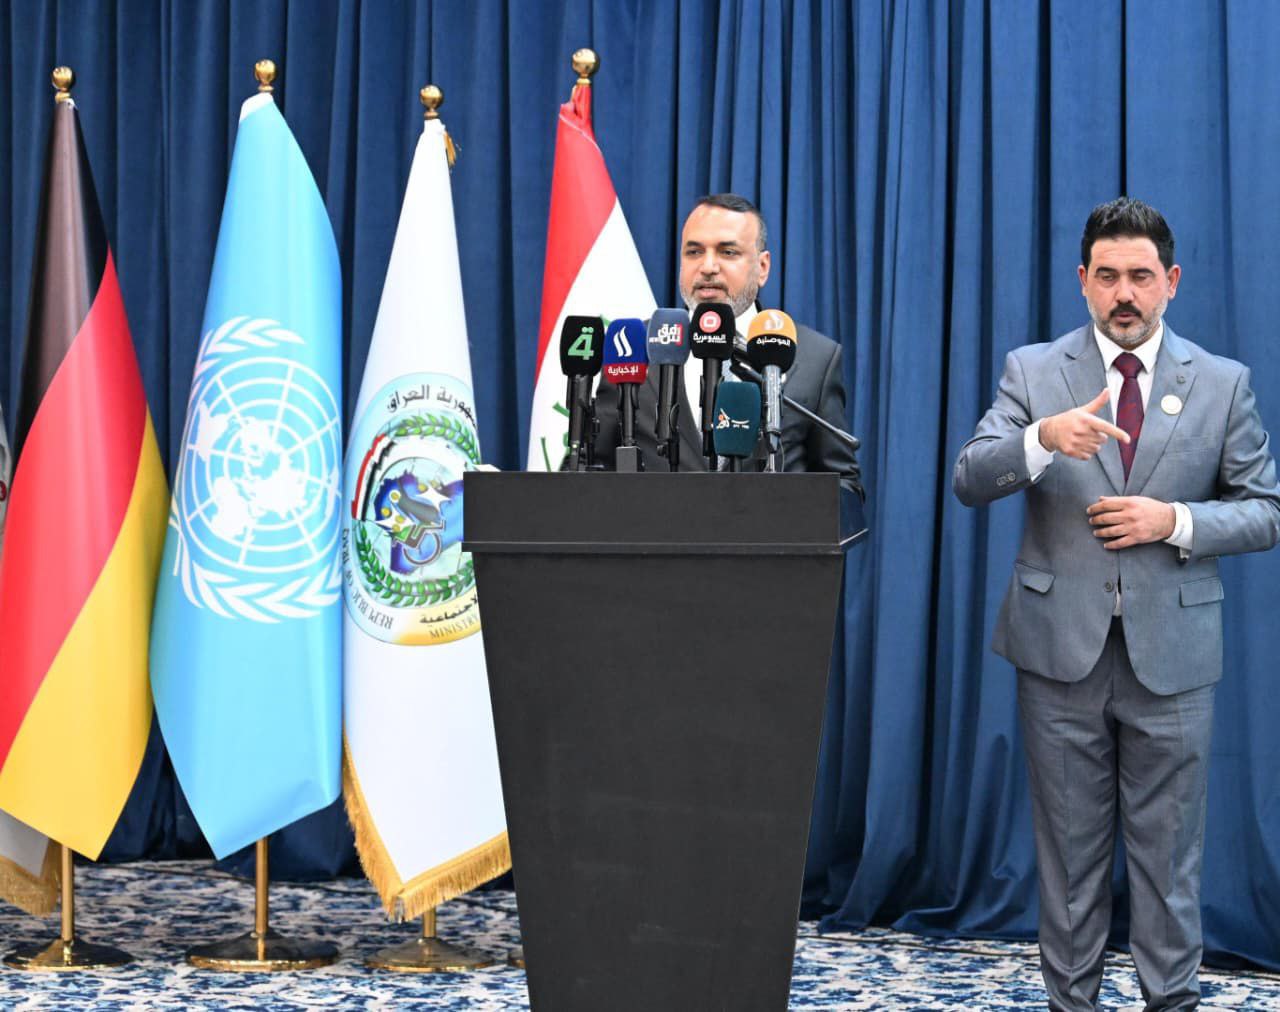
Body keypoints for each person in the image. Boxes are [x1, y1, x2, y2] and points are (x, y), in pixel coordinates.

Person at [954, 197, 1280, 1011]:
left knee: (1170, 861)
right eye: (1107, 277)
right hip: (1057, 652)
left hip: (1173, 659)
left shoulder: (1222, 384)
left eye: (1140, 276)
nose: (1124, 294)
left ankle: (1172, 1003)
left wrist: (1174, 521)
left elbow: (1265, 512)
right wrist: (1040, 440)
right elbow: (971, 477)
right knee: (1069, 861)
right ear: (1083, 281)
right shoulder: (1033, 372)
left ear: (1172, 280)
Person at [593, 193, 859, 480]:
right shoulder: (634, 346)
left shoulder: (815, 357)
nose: (708, 267)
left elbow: (844, 484)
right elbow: (590, 471)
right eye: (694, 252)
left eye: (728, 252)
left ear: (762, 267)